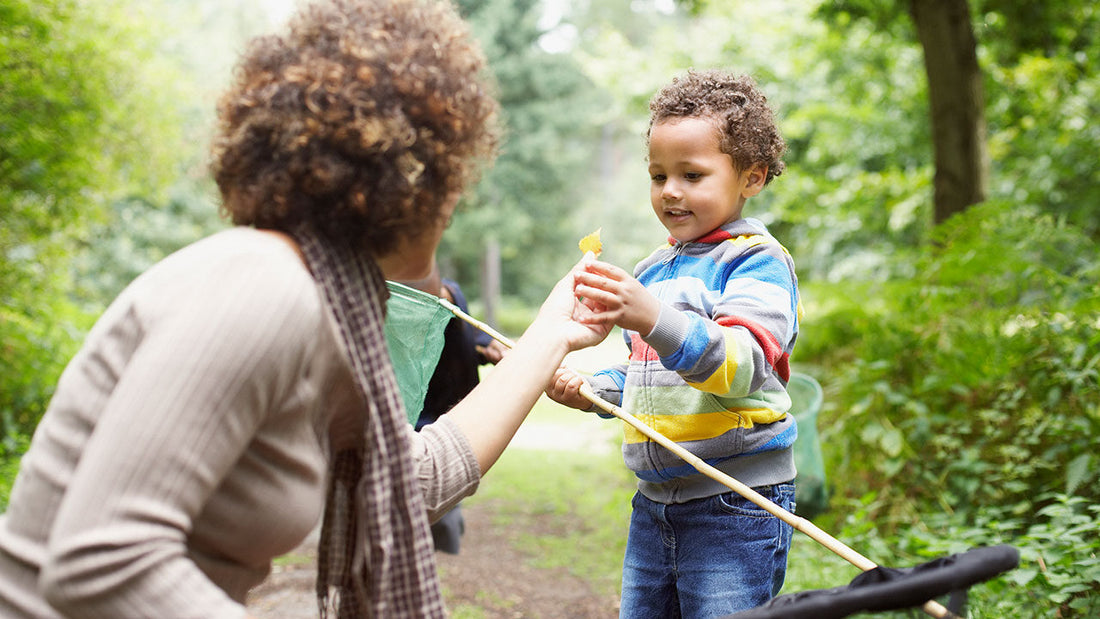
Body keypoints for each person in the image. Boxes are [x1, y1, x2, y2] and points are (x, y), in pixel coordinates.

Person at [0, 0, 611, 617]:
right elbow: (103, 563)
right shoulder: (262, 286)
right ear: (411, 183)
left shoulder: (325, 312)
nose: (453, 206)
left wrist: (552, 333)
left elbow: (414, 481)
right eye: (451, 182)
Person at [546, 69, 802, 618]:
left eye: (692, 174)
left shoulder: (756, 261)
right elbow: (648, 377)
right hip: (656, 504)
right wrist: (597, 389)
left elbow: (739, 368)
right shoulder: (652, 270)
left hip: (735, 503)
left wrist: (654, 317)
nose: (670, 191)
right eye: (658, 175)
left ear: (751, 177)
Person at [399, 263, 508, 554]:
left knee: (441, 521)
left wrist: (488, 346)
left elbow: (468, 339)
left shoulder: (451, 296)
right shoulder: (393, 309)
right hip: (408, 422)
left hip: (447, 419)